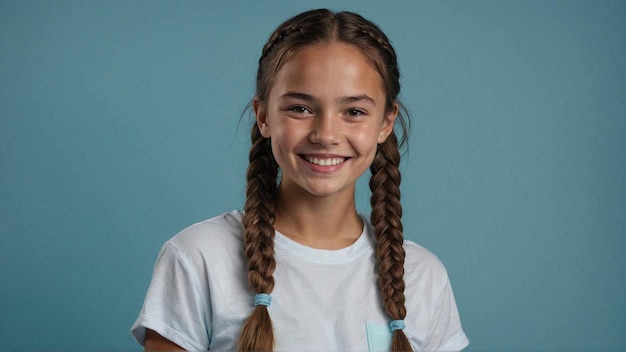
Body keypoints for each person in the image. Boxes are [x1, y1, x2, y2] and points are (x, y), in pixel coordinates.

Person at [131, 8, 469, 352]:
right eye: (300, 109)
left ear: (385, 123)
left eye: (353, 111)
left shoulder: (424, 277)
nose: (326, 134)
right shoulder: (197, 258)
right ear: (263, 116)